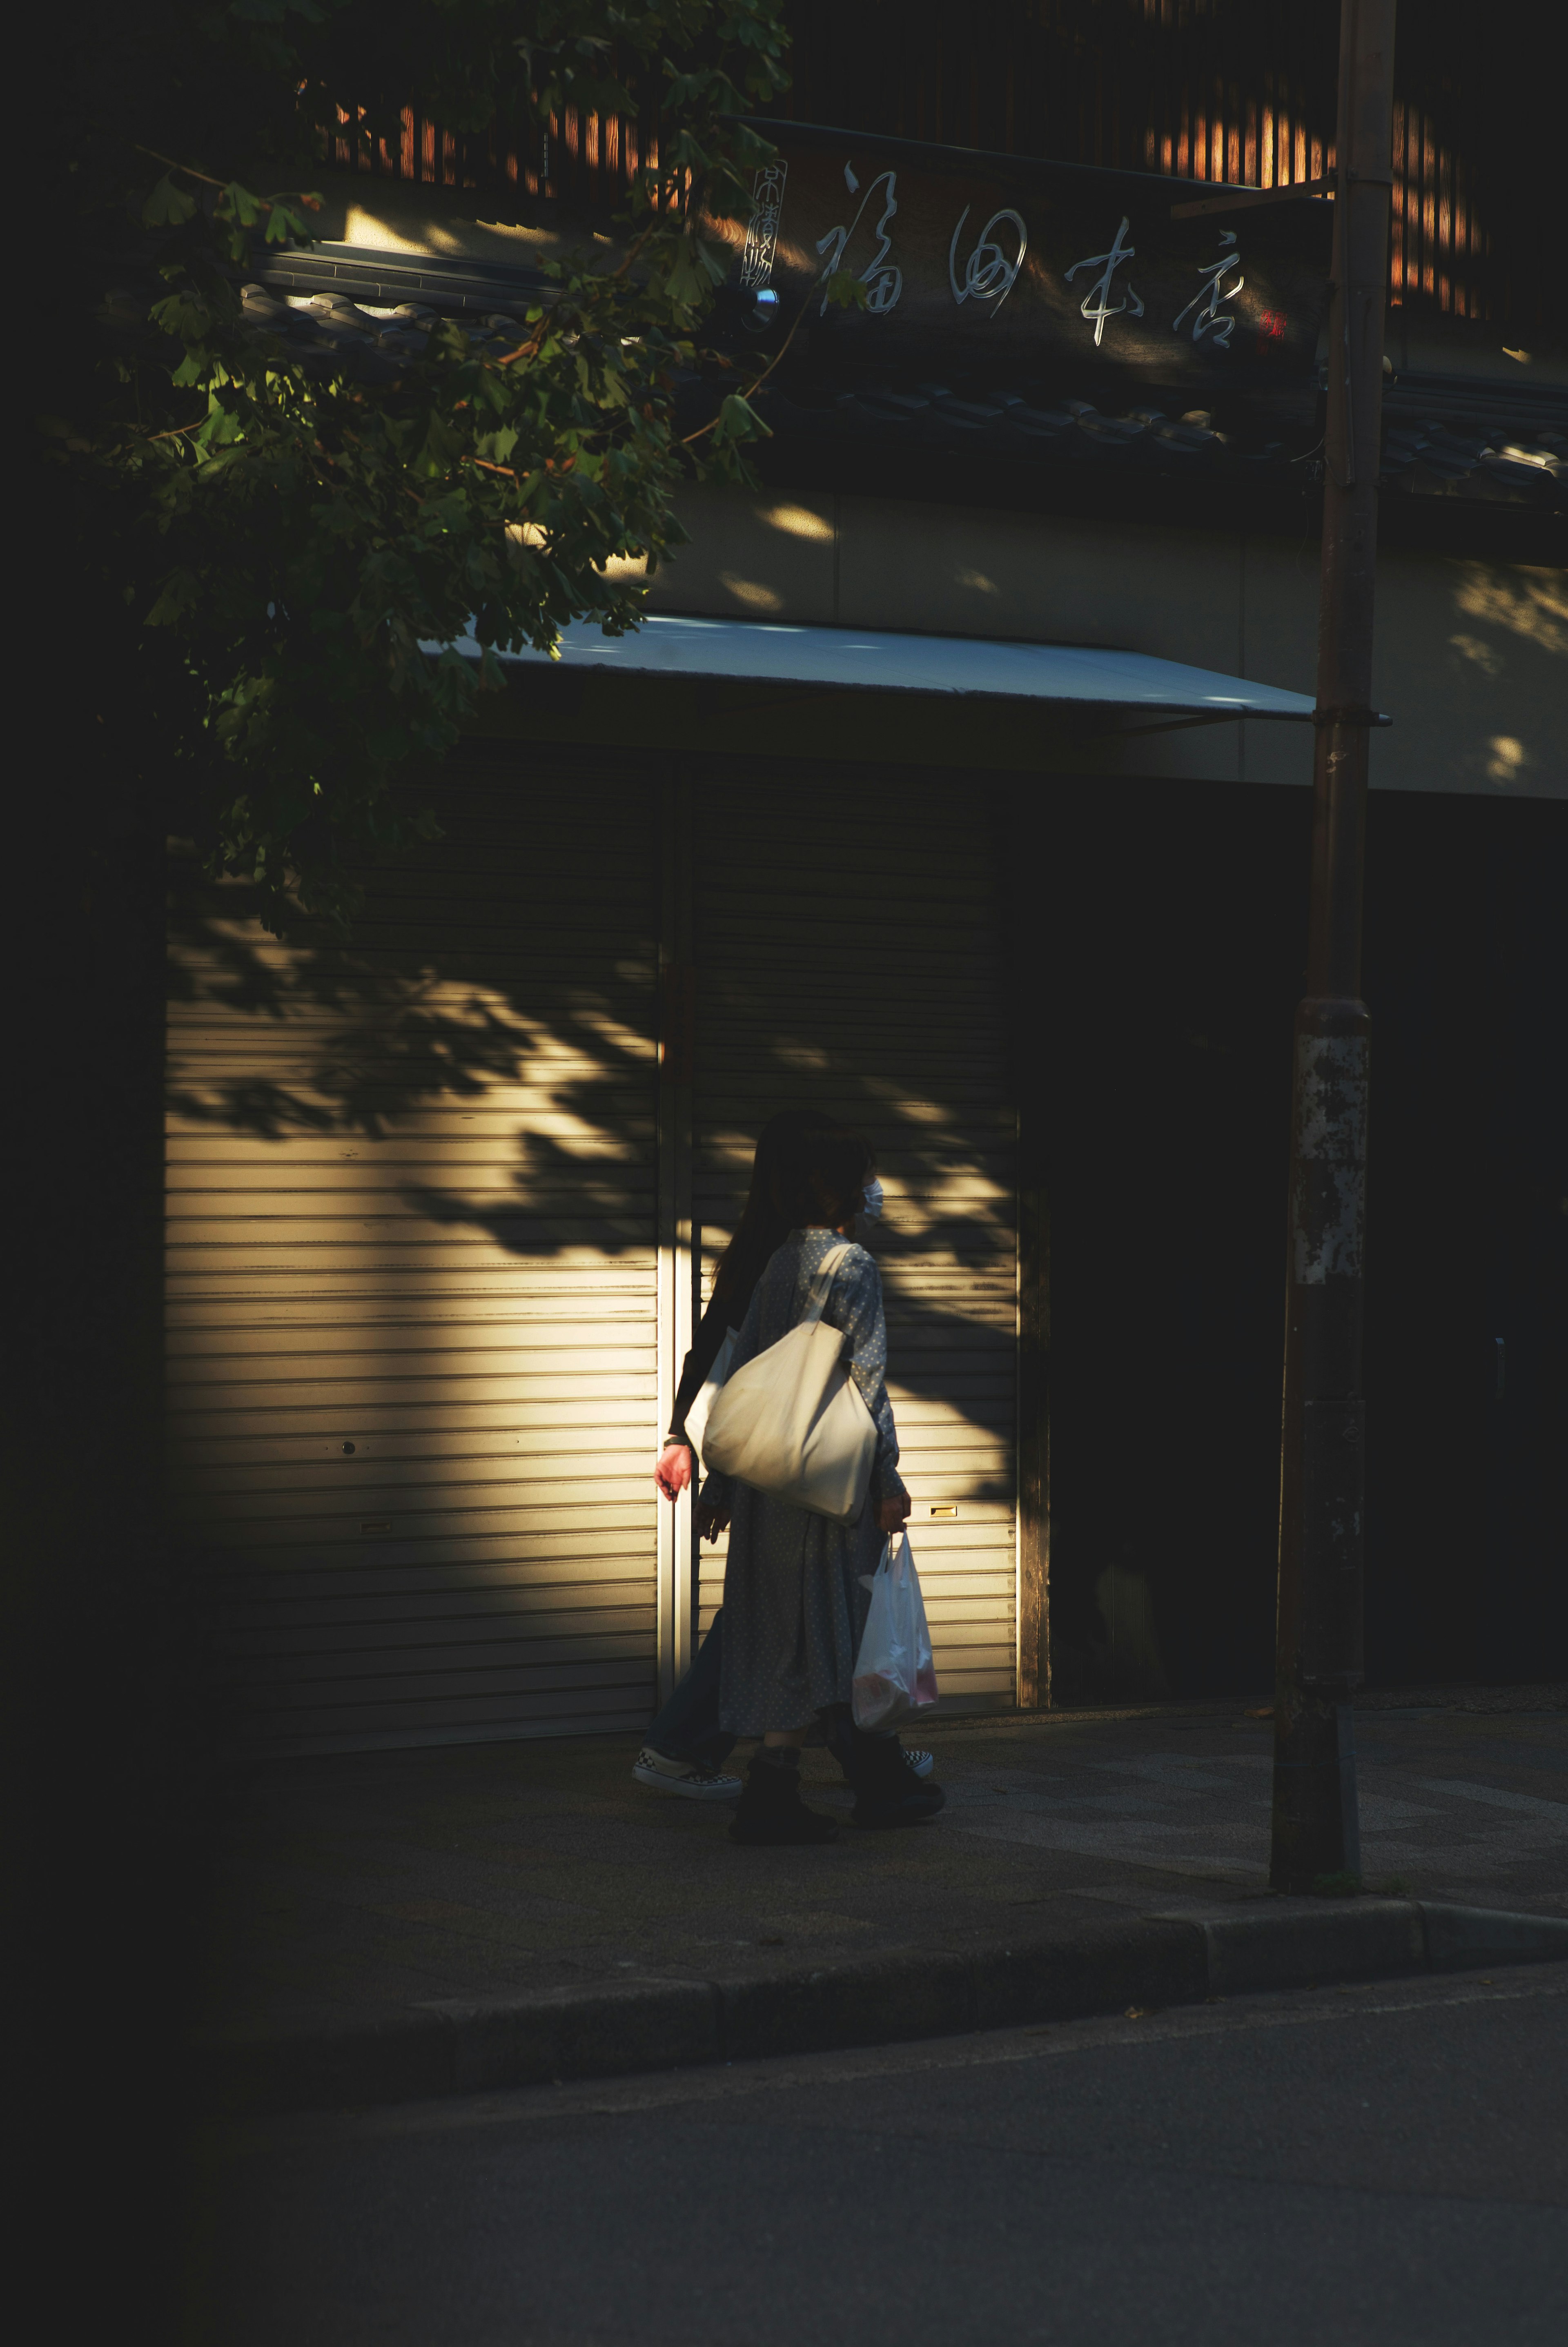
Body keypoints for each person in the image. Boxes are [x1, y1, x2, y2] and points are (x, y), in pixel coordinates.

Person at [632, 1111, 934, 1804]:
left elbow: (730, 1372)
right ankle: (866, 1764)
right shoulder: (843, 1263)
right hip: (824, 1478)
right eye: (864, 1176)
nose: (875, 1189)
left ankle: (799, 1777)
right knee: (824, 1614)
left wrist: (718, 1474)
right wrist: (889, 1478)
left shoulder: (771, 1255)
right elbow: (867, 1381)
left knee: (780, 1618)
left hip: (770, 1477)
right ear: (833, 1185)